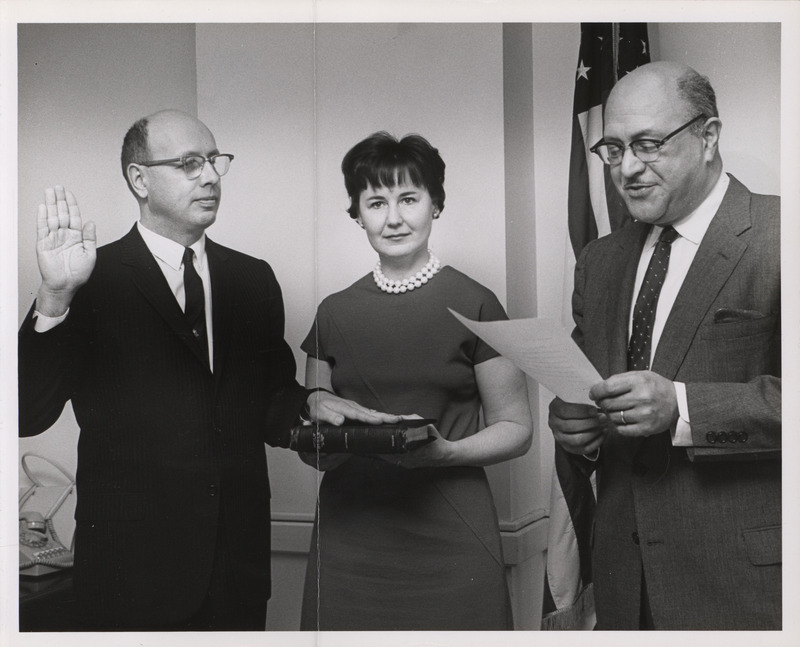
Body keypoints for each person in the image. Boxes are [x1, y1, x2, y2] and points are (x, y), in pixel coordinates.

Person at [17, 109, 396, 631]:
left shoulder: (252, 279)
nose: (211, 176)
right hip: (130, 573)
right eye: (190, 163)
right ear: (139, 179)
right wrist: (55, 296)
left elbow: (265, 400)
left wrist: (306, 401)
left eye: (215, 161)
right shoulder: (87, 279)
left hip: (232, 570)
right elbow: (25, 413)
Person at [548, 61, 780, 630]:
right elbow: (589, 392)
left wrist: (683, 409)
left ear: (708, 137)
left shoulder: (783, 237)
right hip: (624, 586)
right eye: (613, 149)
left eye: (648, 144)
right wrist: (579, 431)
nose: (627, 168)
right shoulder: (600, 262)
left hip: (745, 586)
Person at [297, 132, 533, 631]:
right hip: (351, 532)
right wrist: (327, 438)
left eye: (409, 199)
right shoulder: (333, 312)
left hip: (453, 527)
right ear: (357, 214)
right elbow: (316, 432)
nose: (394, 218)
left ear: (436, 204)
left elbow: (516, 427)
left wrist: (445, 452)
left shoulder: (478, 303)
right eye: (376, 202)